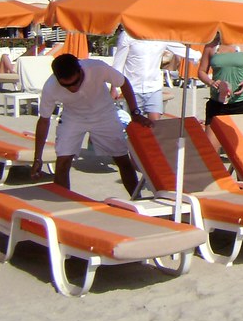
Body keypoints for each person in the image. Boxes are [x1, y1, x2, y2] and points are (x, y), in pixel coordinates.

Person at [31, 53, 145, 196]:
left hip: (104, 114)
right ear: (57, 79)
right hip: (73, 117)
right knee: (62, 161)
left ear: (80, 71)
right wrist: (37, 158)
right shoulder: (50, 86)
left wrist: (135, 113)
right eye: (66, 85)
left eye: (76, 82)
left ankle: (137, 199)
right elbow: (44, 120)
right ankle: (62, 202)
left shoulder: (97, 67)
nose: (73, 88)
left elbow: (123, 82)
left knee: (122, 159)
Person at [198, 32, 243, 149]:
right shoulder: (211, 46)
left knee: (242, 149)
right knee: (210, 148)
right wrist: (211, 82)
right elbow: (201, 71)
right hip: (217, 103)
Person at [111, 28, 192, 122]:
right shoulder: (127, 35)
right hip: (132, 88)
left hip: (154, 88)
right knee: (134, 124)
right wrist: (114, 87)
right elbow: (118, 64)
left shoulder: (161, 35)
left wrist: (199, 56)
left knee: (155, 123)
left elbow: (179, 48)